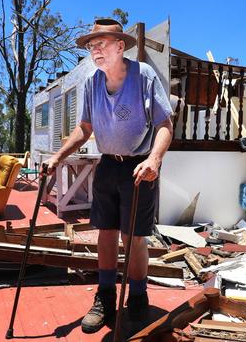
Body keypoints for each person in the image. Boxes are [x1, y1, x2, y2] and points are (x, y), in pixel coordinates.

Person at [42, 18, 173, 333]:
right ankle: (105, 297)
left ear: (119, 46)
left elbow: (165, 123)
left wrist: (154, 160)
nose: (95, 50)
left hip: (139, 165)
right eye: (91, 45)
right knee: (105, 231)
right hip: (108, 164)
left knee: (134, 236)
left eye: (101, 43)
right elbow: (84, 128)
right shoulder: (91, 82)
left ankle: (138, 297)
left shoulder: (143, 76)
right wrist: (58, 156)